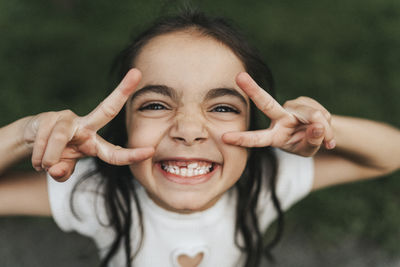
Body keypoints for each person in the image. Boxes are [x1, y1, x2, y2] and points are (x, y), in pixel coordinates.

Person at [0, 9, 399, 267]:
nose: (189, 130)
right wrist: (25, 134)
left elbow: (390, 153)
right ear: (122, 128)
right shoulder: (96, 194)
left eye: (223, 107)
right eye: (155, 105)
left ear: (254, 127)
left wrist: (323, 128)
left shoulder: (265, 180)